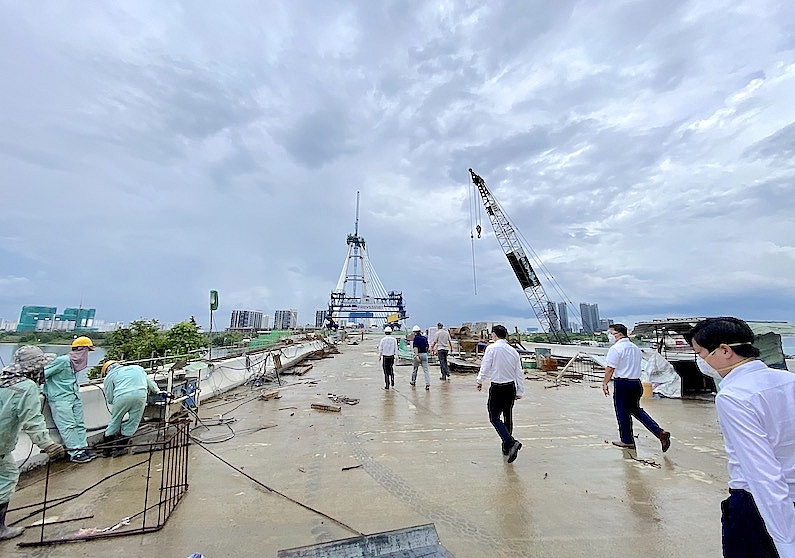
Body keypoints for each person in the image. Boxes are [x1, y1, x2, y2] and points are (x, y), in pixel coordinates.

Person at [685, 317, 795, 558]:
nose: (701, 361)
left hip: (758, 507)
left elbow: (762, 473)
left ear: (724, 351)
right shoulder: (789, 381)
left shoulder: (733, 396)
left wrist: (787, 543)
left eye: (701, 353)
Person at [1, 346, 65, 540]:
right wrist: (49, 446)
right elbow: (33, 421)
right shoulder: (25, 388)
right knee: (8, 477)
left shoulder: (2, 380)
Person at [603, 324, 671, 453]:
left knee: (622, 412)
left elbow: (610, 368)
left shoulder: (616, 349)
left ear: (618, 334)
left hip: (622, 383)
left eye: (611, 333)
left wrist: (605, 383)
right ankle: (659, 433)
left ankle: (627, 440)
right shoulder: (635, 348)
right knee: (636, 410)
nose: (609, 336)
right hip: (636, 383)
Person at [476, 325, 524, 463]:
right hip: (510, 387)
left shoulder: (491, 348)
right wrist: (520, 390)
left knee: (494, 417)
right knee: (507, 415)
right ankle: (506, 448)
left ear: (495, 335)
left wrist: (480, 380)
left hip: (497, 387)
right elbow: (518, 373)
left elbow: (485, 366)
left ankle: (510, 442)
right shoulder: (513, 351)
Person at [43, 336, 96, 463]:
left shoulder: (75, 364)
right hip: (60, 398)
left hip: (74, 396)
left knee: (79, 424)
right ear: (81, 349)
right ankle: (75, 452)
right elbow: (43, 374)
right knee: (68, 426)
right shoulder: (62, 361)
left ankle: (83, 448)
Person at [100, 361, 163, 457]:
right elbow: (150, 382)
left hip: (121, 397)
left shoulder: (110, 376)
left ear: (107, 370)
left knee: (115, 422)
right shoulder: (137, 368)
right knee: (133, 422)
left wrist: (114, 403)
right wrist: (158, 391)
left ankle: (106, 451)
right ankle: (119, 449)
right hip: (141, 395)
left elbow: (109, 396)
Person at [410, 325, 430, 390]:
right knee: (426, 370)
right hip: (424, 354)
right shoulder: (424, 338)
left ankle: (413, 381)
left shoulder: (415, 338)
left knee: (415, 369)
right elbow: (427, 347)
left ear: (414, 332)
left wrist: (416, 356)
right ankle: (427, 383)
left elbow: (415, 347)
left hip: (418, 354)